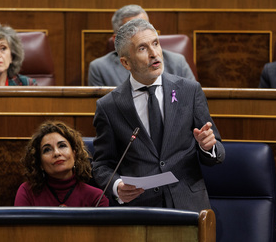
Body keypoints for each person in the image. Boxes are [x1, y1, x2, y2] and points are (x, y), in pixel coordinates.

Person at [92, 19, 225, 212]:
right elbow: (102, 164)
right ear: (126, 62)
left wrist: (208, 147)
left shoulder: (189, 90)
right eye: (142, 48)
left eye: (156, 43)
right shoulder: (109, 106)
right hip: (140, 210)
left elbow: (218, 153)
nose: (154, 53)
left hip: (188, 206)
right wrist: (117, 186)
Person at [88, 4, 196, 86]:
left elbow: (194, 102)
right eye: (133, 30)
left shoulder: (178, 62)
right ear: (117, 40)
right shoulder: (99, 68)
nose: (143, 34)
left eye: (145, 27)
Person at [15, 120, 109, 207]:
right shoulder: (27, 192)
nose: (56, 153)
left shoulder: (96, 197)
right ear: (39, 163)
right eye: (47, 150)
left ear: (74, 154)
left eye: (62, 146)